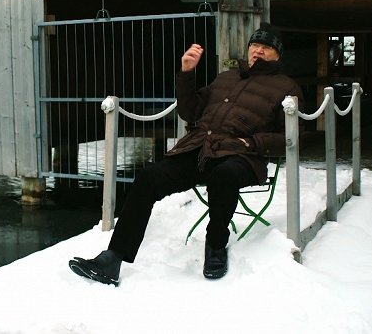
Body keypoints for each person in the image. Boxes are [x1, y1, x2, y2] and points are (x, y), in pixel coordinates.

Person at [69, 22, 304, 285]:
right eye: (254, 45)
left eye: (266, 47)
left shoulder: (287, 88)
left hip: (242, 156)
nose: (258, 51)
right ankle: (113, 258)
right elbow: (190, 112)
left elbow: (291, 137)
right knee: (148, 177)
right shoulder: (226, 77)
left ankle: (215, 245)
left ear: (278, 54)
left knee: (224, 176)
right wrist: (187, 73)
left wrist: (252, 143)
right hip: (200, 149)